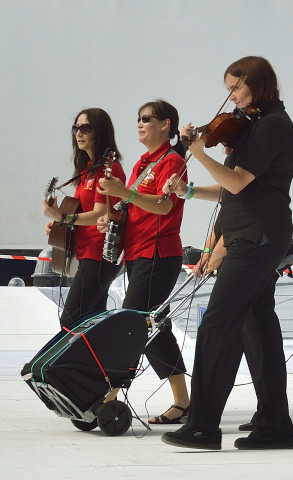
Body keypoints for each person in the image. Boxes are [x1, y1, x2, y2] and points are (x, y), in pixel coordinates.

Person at [160, 56, 293, 451]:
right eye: (229, 90)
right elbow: (231, 189)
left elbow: (237, 183)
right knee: (259, 331)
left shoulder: (272, 126)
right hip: (252, 234)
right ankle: (274, 426)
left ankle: (203, 426)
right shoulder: (253, 127)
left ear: (258, 84)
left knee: (219, 325)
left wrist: (200, 153)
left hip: (256, 238)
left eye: (236, 88)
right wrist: (188, 191)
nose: (232, 97)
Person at [96, 100, 191, 426]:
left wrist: (125, 191)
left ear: (166, 124)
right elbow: (133, 206)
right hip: (138, 254)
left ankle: (108, 396)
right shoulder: (143, 163)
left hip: (159, 254)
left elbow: (164, 208)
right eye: (137, 119)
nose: (139, 124)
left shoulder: (173, 161)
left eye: (146, 119)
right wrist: (112, 216)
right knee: (155, 327)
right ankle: (183, 402)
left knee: (132, 325)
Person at [42, 108, 126, 328]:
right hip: (87, 251)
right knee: (92, 319)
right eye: (76, 128)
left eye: (85, 128)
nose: (79, 133)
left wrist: (62, 216)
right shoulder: (87, 168)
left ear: (100, 131)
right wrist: (60, 223)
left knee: (70, 321)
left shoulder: (109, 169)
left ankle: (65, 363)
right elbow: (81, 211)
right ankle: (103, 362)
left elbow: (99, 214)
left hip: (101, 253)